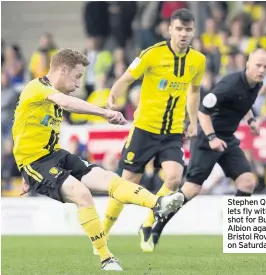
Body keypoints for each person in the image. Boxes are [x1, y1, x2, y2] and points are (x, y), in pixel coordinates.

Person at [12, 48, 184, 271]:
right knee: (82, 194)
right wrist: (104, 113)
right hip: (36, 163)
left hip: (55, 155)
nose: (78, 84)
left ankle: (157, 205)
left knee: (109, 179)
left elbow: (20, 128)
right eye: (77, 76)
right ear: (62, 70)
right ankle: (106, 258)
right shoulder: (37, 88)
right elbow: (65, 103)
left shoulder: (47, 95)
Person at [142, 48, 266, 252]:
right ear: (248, 64)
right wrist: (212, 138)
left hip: (227, 139)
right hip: (207, 137)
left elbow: (243, 103)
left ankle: (234, 237)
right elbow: (203, 111)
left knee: (247, 182)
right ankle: (155, 227)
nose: (262, 69)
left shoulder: (256, 84)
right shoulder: (229, 84)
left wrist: (251, 120)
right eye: (258, 65)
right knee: (192, 189)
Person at [104, 8, 206, 252]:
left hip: (171, 133)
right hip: (144, 129)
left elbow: (193, 91)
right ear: (169, 29)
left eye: (188, 30)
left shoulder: (198, 61)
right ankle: (102, 232)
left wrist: (193, 121)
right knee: (127, 183)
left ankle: (147, 224)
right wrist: (113, 95)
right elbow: (127, 78)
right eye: (179, 29)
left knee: (173, 178)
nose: (183, 34)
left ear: (193, 32)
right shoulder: (151, 54)